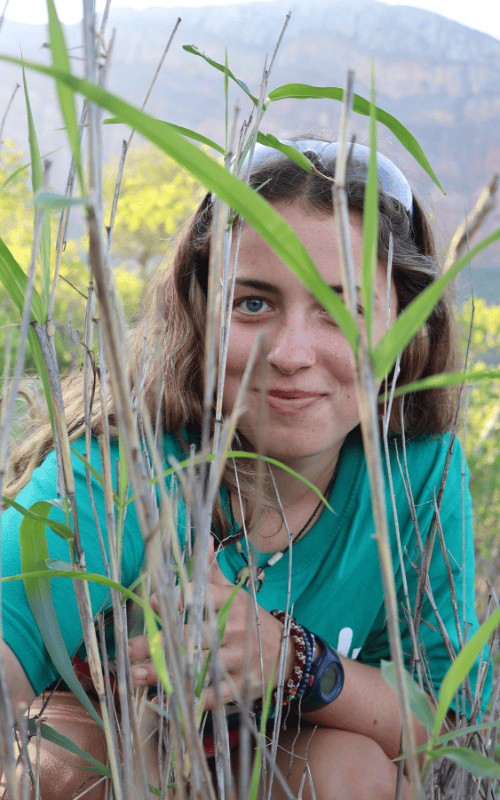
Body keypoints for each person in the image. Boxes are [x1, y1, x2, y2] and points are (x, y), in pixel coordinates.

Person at [1, 137, 489, 800]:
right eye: (254, 303)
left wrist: (291, 661)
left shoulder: (418, 475)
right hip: (118, 750)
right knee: (57, 763)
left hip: (274, 755)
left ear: (408, 329)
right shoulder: (122, 466)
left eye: (342, 310)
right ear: (204, 313)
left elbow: (449, 720)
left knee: (355, 773)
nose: (290, 353)